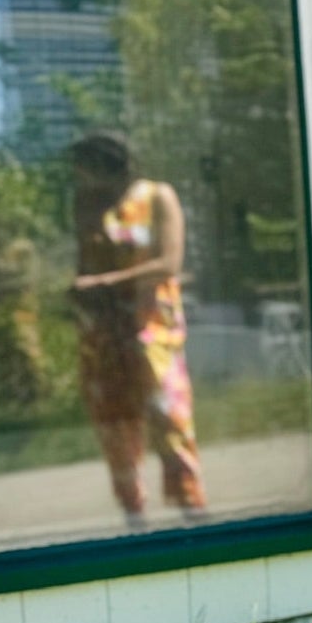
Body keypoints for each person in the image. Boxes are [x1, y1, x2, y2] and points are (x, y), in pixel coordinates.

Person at [70, 130, 207, 526]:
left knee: (170, 418)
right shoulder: (87, 204)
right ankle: (134, 517)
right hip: (102, 333)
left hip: (152, 330)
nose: (79, 177)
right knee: (115, 425)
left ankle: (192, 512)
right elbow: (85, 260)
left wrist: (103, 283)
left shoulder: (156, 197)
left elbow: (169, 263)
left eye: (85, 167)